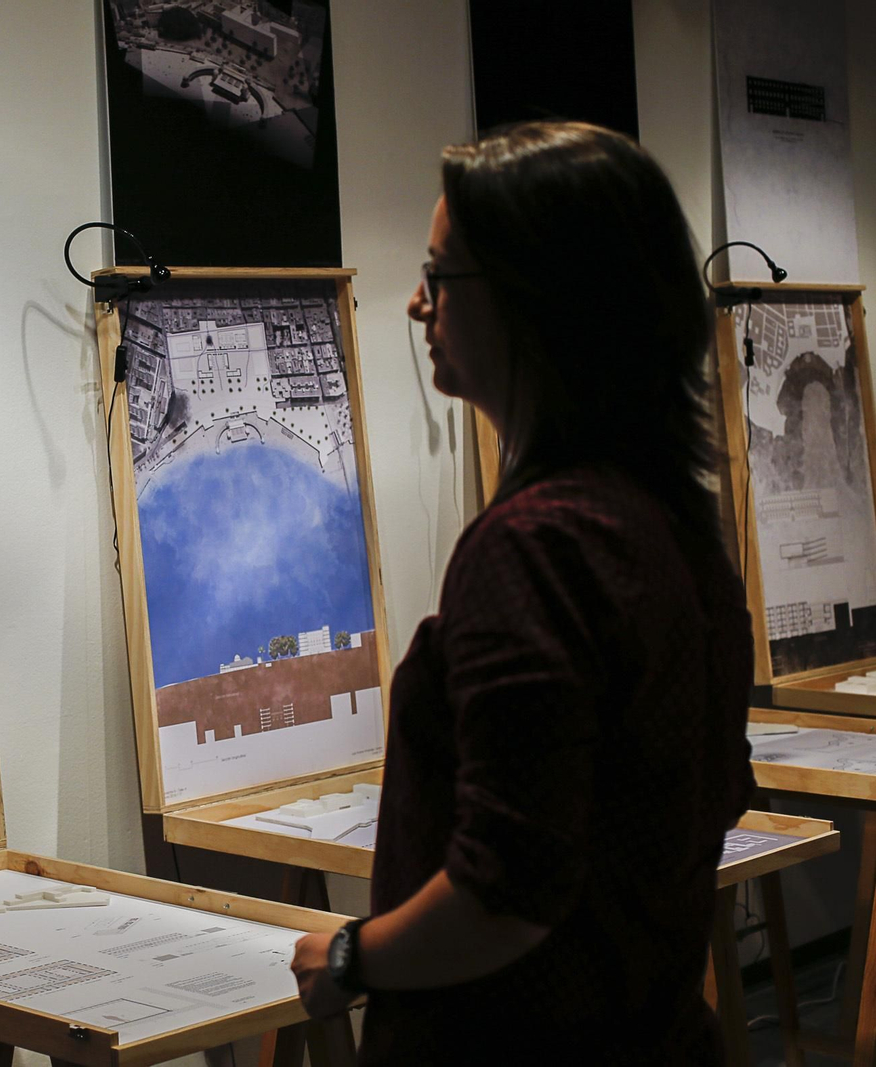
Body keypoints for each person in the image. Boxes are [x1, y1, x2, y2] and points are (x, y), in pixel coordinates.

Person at [290, 121, 756, 1063]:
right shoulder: (671, 521)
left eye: (440, 275)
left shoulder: (534, 548)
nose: (417, 303)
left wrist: (349, 954)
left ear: (534, 297)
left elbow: (505, 891)